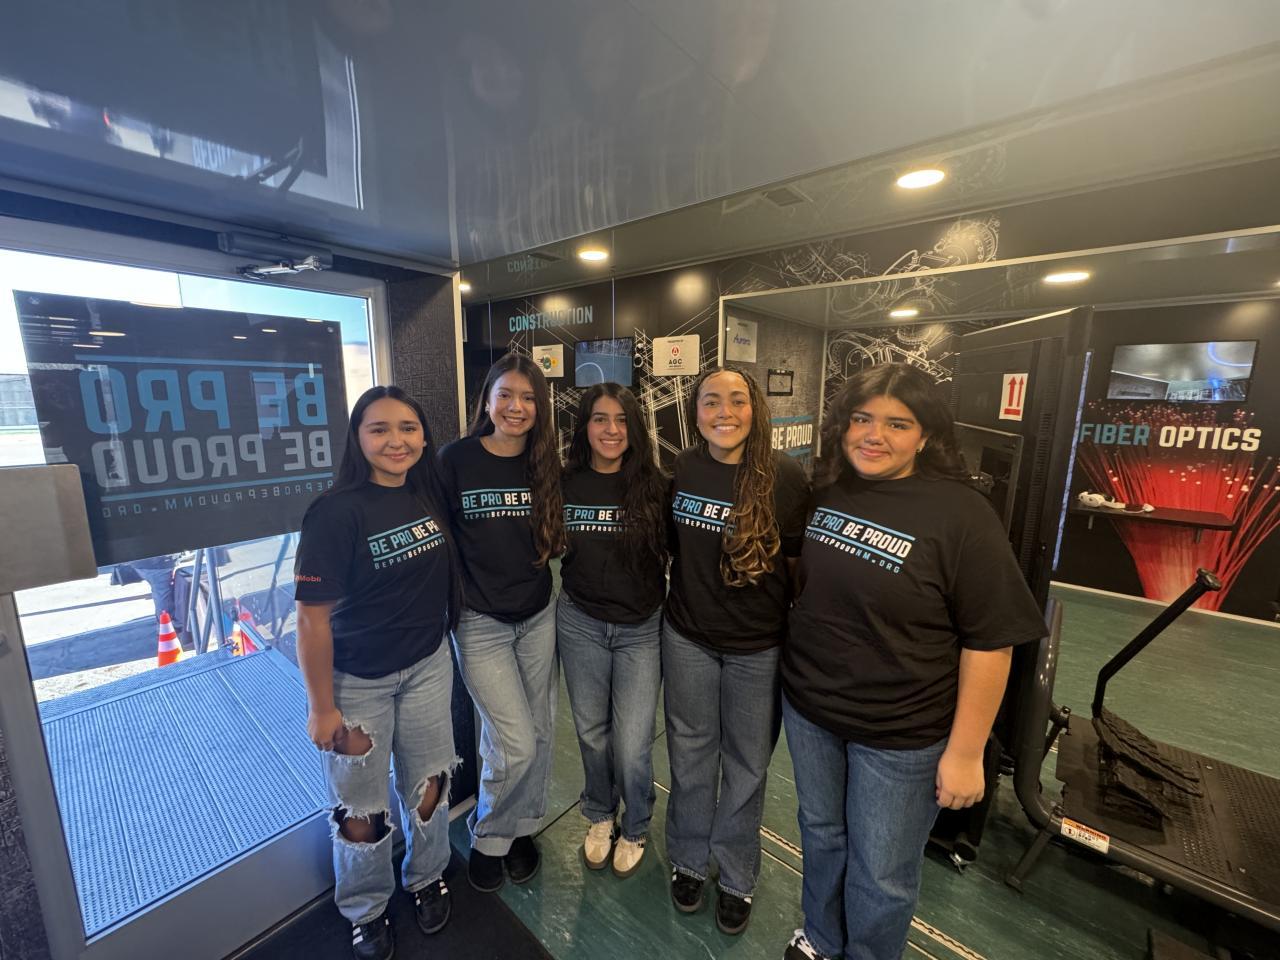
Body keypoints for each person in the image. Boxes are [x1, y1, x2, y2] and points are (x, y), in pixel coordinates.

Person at [780, 363, 1046, 960]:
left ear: (925, 436)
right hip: (811, 710)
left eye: (897, 424)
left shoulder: (962, 514)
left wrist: (966, 753)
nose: (874, 435)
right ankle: (821, 937)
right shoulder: (829, 489)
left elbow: (992, 641)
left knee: (882, 871)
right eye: (862, 419)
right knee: (821, 835)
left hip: (901, 733)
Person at [294, 385, 461, 960]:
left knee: (430, 785)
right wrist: (321, 707)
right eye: (380, 429)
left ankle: (427, 876)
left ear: (424, 436)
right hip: (358, 682)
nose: (397, 440)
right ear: (357, 438)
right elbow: (311, 620)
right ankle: (365, 909)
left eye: (408, 428)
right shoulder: (335, 511)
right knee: (360, 810)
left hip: (427, 667)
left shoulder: (425, 493)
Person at [663, 367, 810, 935]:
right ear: (695, 412)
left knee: (747, 767)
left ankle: (735, 873)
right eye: (710, 401)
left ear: (756, 409)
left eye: (736, 400)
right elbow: (676, 550)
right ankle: (688, 859)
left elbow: (795, 566)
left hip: (757, 647)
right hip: (688, 637)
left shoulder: (786, 477)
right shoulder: (684, 468)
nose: (723, 411)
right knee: (690, 756)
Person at [439, 353, 564, 893]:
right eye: (506, 395)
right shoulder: (455, 460)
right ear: (487, 400)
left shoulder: (544, 464)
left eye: (529, 397)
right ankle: (490, 834)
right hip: (480, 621)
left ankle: (522, 828)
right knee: (515, 741)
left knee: (539, 731)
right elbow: (439, 539)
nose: (517, 407)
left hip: (537, 614)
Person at [557, 383, 668, 878]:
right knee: (591, 733)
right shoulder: (565, 483)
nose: (611, 430)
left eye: (622, 420)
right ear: (585, 426)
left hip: (640, 628)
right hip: (580, 621)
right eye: (600, 419)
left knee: (632, 742)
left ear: (634, 428)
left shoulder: (655, 485)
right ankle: (601, 813)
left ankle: (636, 823)